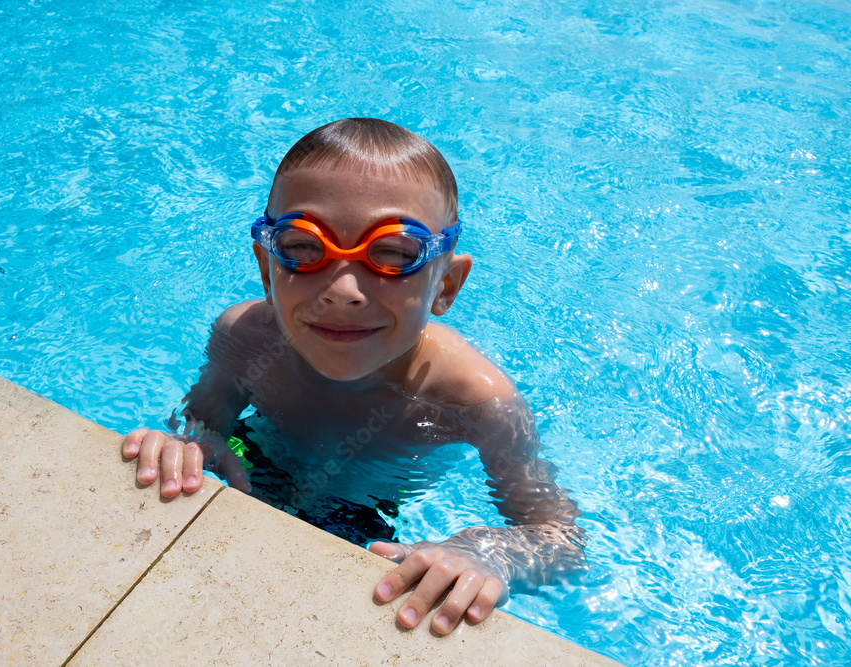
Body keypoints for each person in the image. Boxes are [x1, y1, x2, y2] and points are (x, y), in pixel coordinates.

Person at [122, 118, 586, 634]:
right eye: (303, 247)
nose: (343, 288)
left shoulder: (476, 401)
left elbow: (559, 536)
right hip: (255, 468)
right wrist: (188, 443)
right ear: (265, 264)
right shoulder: (245, 336)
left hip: (368, 519)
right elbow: (203, 425)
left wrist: (486, 554)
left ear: (446, 284)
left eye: (392, 254)